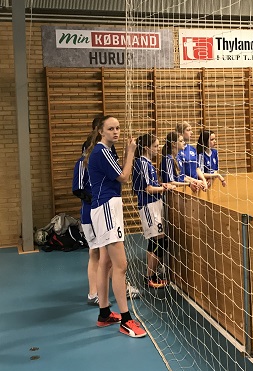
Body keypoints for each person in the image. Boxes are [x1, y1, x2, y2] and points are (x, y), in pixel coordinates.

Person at [85, 116, 146, 338]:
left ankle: (104, 313)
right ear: (101, 132)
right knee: (121, 265)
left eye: (118, 128)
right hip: (107, 208)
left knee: (106, 262)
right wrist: (131, 153)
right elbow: (124, 177)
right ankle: (126, 320)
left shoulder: (107, 151)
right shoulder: (101, 152)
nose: (116, 132)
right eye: (111, 129)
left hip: (105, 208)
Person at [133, 134, 175, 289]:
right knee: (157, 240)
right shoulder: (142, 163)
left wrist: (162, 185)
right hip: (149, 205)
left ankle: (153, 274)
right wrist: (165, 188)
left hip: (155, 204)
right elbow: (148, 188)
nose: (158, 149)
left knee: (158, 240)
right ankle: (149, 277)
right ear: (146, 148)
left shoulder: (148, 163)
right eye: (155, 146)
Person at [72, 154, 100, 306]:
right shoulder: (83, 163)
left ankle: (121, 287)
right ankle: (93, 293)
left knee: (105, 253)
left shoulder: (101, 161)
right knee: (96, 252)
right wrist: (95, 200)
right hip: (90, 214)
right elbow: (78, 189)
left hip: (101, 213)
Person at [175, 122, 207, 190]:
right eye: (188, 130)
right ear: (180, 133)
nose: (191, 132)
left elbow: (197, 168)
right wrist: (194, 181)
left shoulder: (192, 149)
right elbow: (179, 174)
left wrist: (203, 180)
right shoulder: (177, 151)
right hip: (184, 186)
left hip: (196, 185)